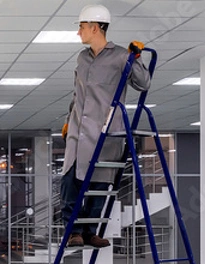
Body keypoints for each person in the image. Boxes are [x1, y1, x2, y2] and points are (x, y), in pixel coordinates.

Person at [61, 4, 151, 248]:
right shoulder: (82, 57)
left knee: (98, 186)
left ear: (95, 27)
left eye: (81, 27)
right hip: (78, 131)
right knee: (71, 184)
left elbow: (143, 84)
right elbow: (77, 94)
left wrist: (137, 59)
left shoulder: (121, 56)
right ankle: (73, 231)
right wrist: (69, 120)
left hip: (105, 132)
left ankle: (90, 232)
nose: (79, 32)